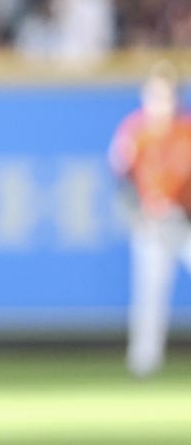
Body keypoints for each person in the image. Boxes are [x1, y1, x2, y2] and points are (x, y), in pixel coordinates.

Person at [108, 59, 191, 378]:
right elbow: (120, 177)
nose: (163, 102)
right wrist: (134, 216)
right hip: (153, 221)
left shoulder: (186, 130)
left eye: (168, 94)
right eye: (157, 94)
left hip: (185, 221)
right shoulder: (136, 131)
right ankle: (144, 362)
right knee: (150, 292)